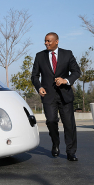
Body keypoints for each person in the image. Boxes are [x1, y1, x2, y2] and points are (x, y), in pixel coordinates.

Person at [31, 32, 81, 161]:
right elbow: (34, 76)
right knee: (51, 121)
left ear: (56, 41)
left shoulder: (67, 54)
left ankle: (71, 152)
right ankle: (55, 143)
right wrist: (39, 87)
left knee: (69, 124)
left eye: (49, 41)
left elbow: (76, 71)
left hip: (65, 95)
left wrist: (66, 80)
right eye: (45, 41)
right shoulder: (39, 56)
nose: (46, 43)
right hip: (48, 96)